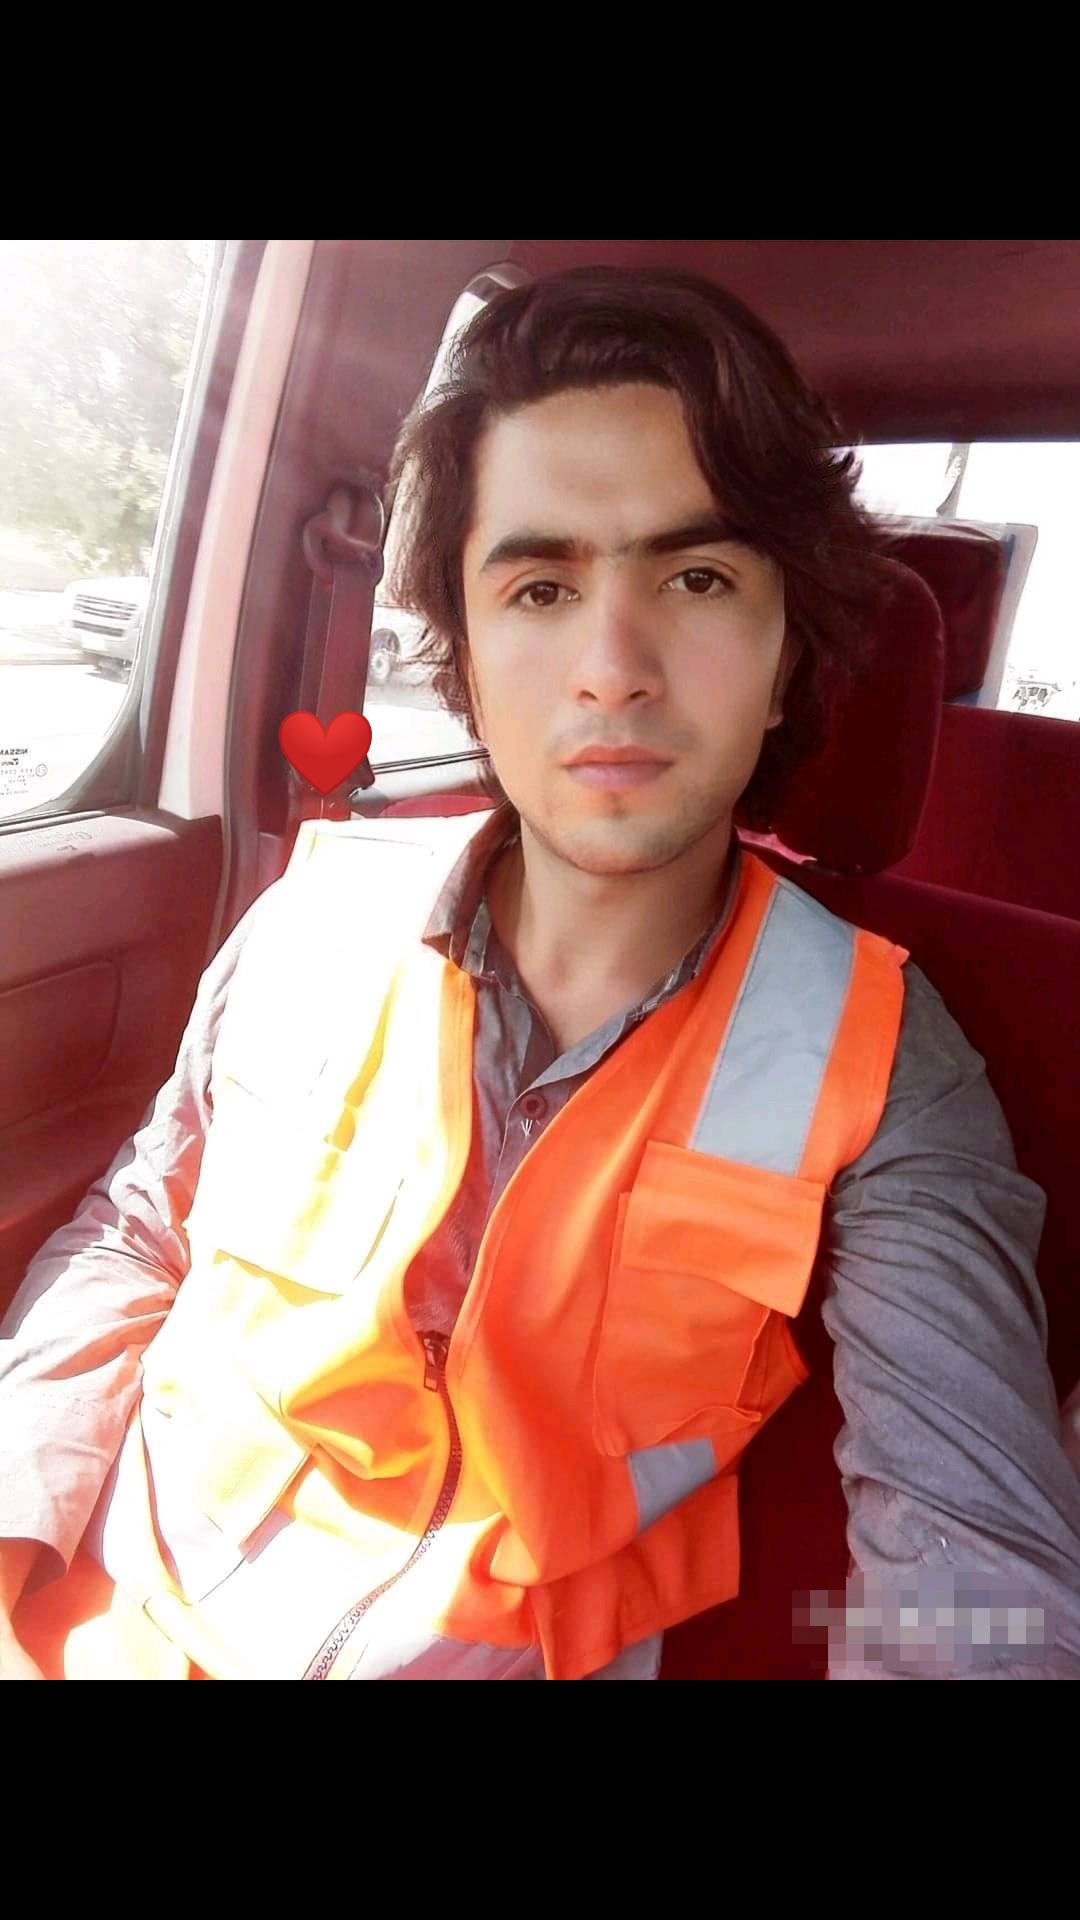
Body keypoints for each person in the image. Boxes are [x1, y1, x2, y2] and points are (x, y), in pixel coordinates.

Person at [3, 267, 1079, 1681]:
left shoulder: (881, 1058)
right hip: (104, 1628)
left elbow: (974, 1559)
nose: (611, 667)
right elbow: (142, 1233)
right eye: (541, 587)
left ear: (784, 661)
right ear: (463, 652)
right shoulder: (311, 912)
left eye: (697, 578)